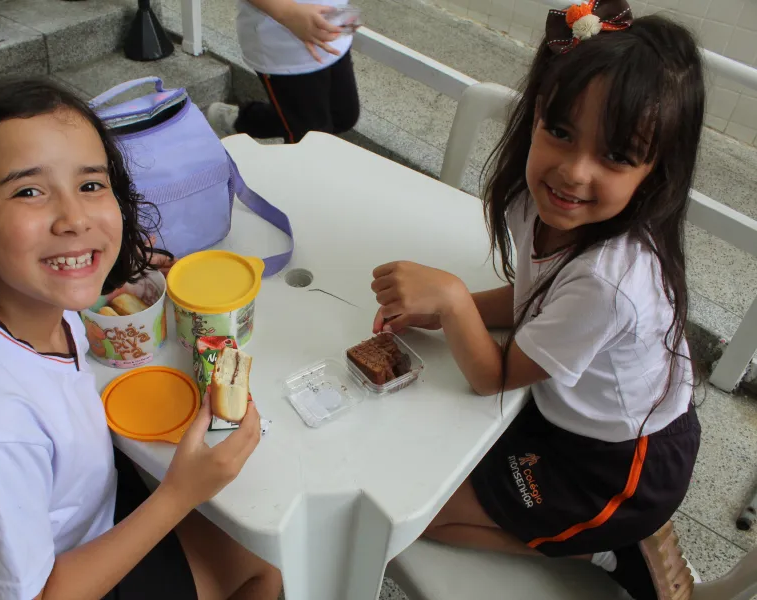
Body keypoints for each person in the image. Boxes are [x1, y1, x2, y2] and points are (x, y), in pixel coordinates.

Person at [0, 76, 282, 600]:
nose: (74, 219)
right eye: (28, 191)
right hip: (58, 578)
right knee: (267, 567)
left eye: (91, 185)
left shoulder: (17, 299)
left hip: (78, 511)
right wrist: (180, 494)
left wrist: (92, 272)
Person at [369, 2, 703, 599]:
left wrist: (452, 301)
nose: (573, 171)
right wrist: (448, 310)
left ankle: (606, 547)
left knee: (421, 516)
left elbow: (494, 377)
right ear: (536, 114)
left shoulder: (610, 280)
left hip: (616, 468)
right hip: (567, 415)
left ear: (655, 173)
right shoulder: (539, 201)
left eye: (616, 156)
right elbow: (535, 301)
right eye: (561, 132)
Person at [206, 0, 360, 144]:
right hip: (284, 50)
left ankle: (243, 120)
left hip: (333, 33)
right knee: (309, 140)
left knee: (343, 116)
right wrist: (288, 13)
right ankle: (246, 121)